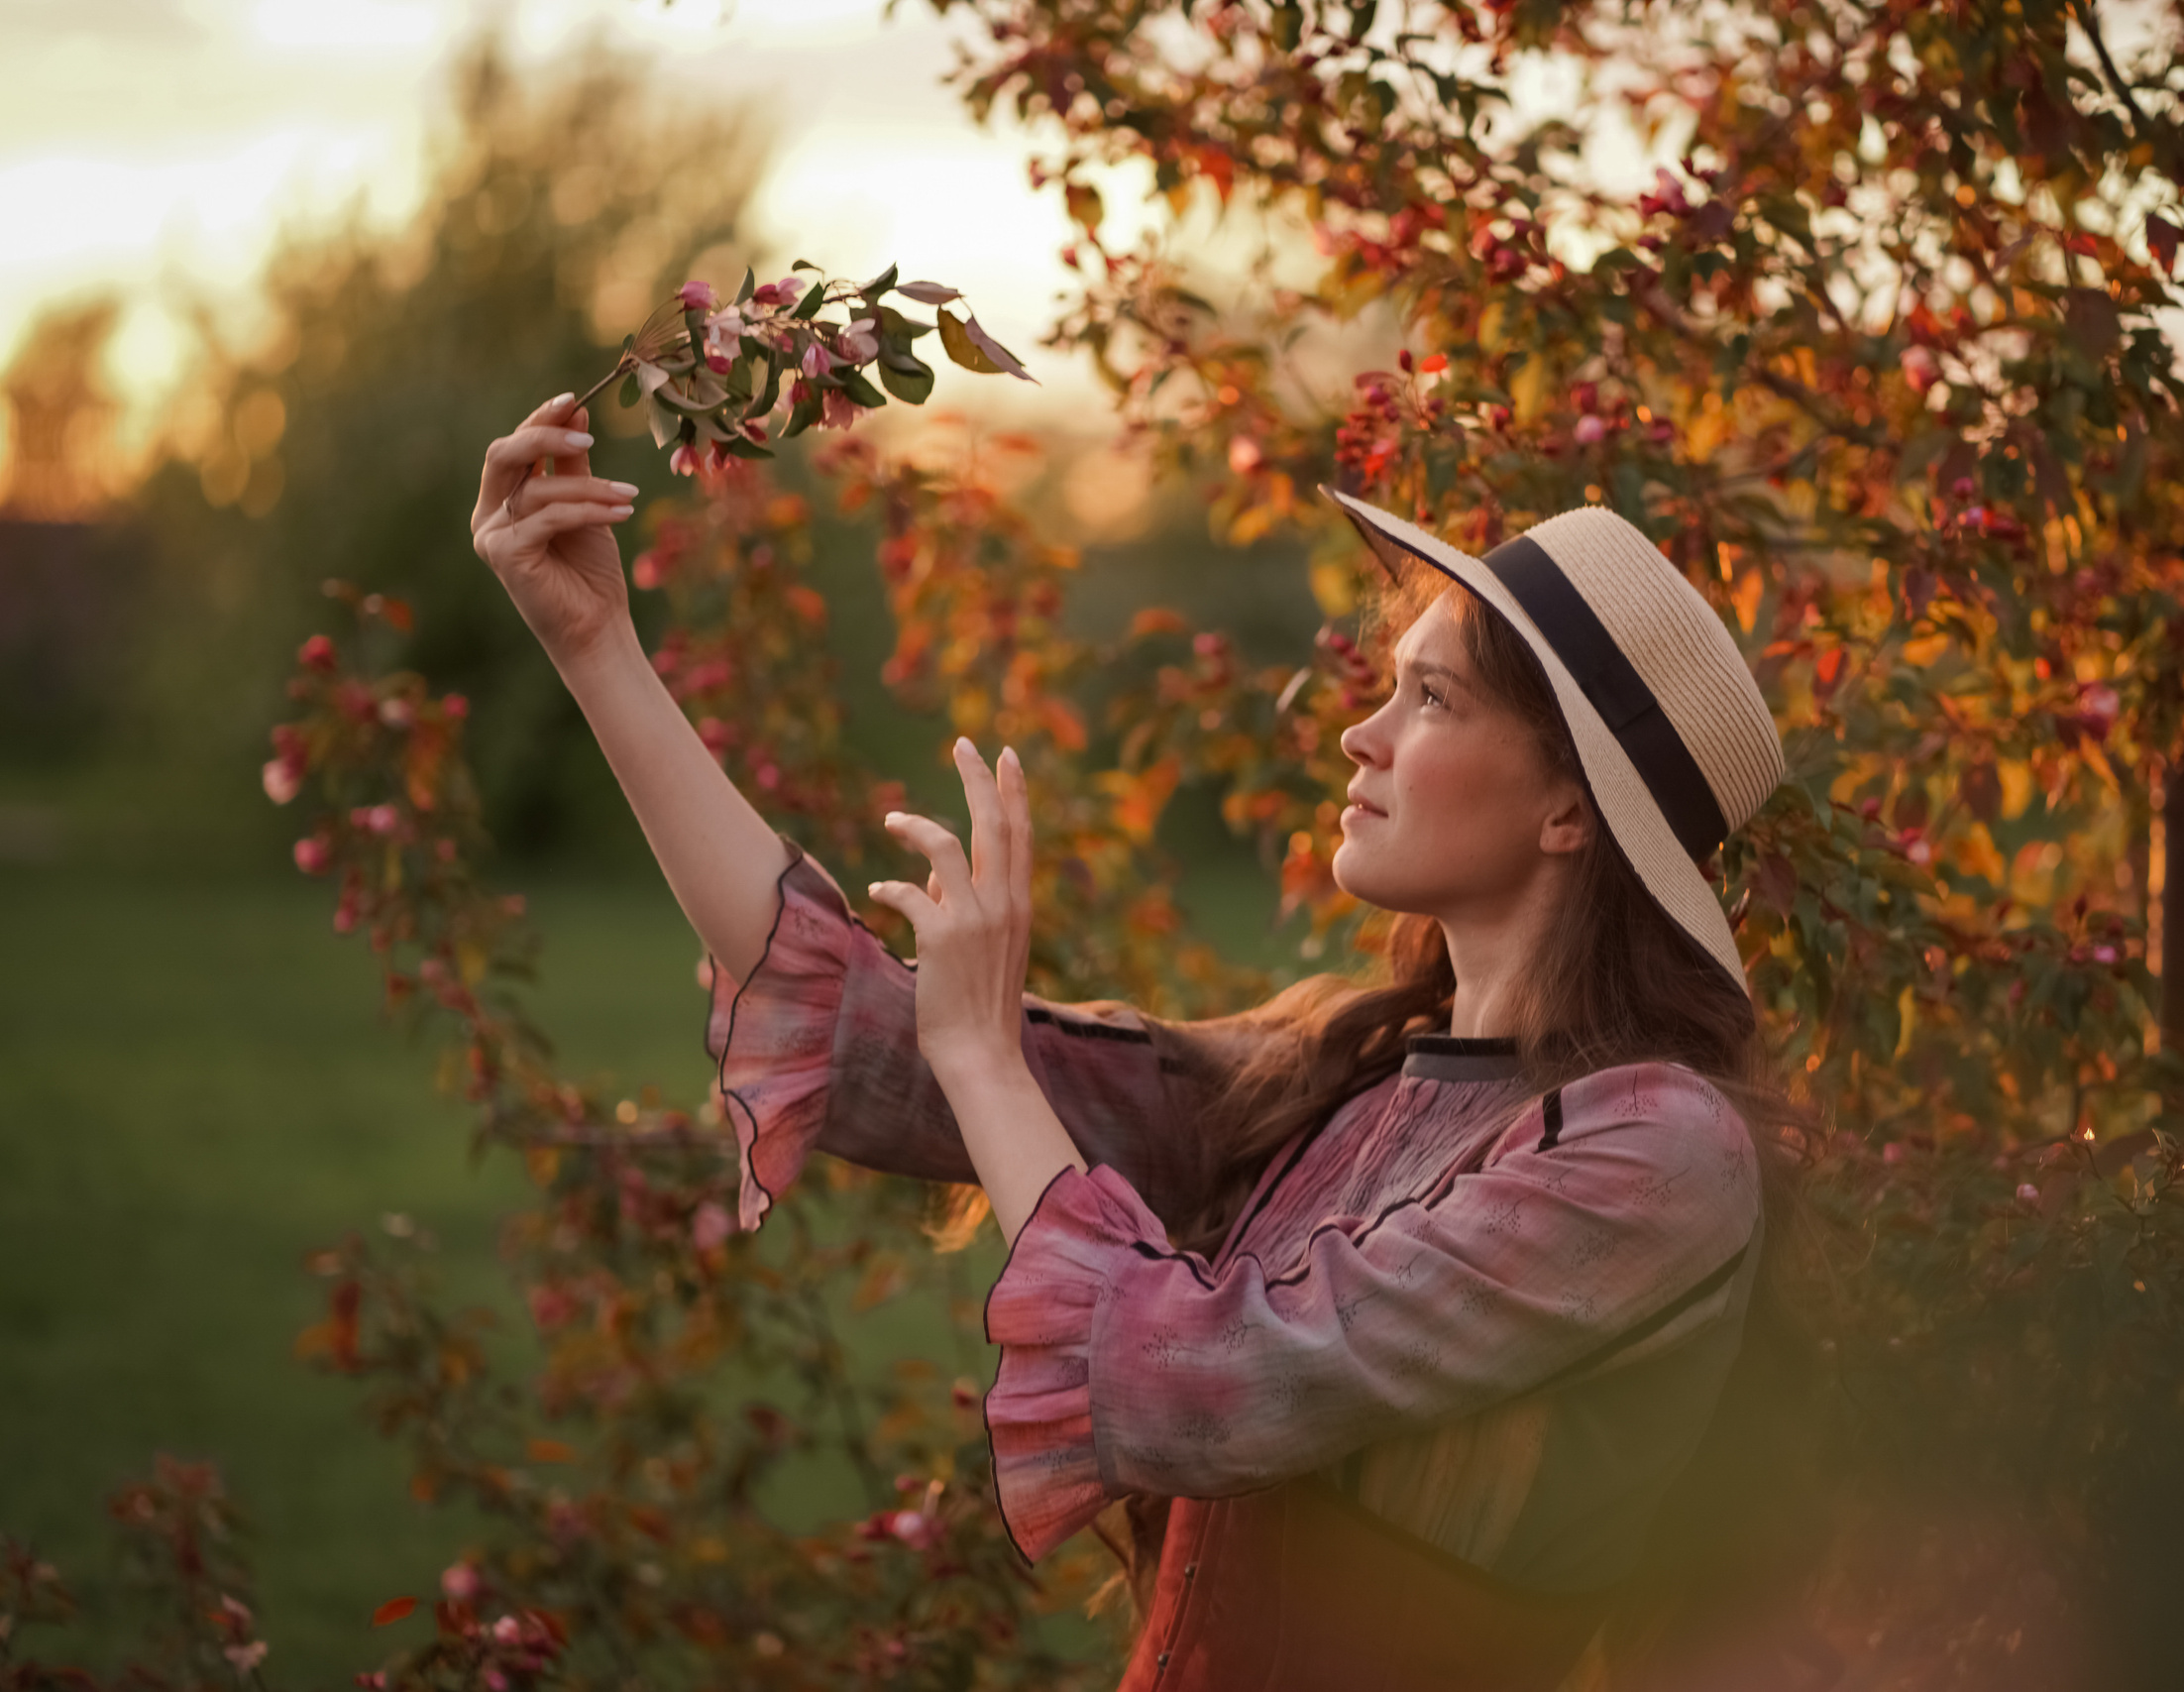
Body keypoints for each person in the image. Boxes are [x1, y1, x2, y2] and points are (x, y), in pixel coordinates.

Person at [470, 395, 1824, 1691]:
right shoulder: (1342, 1082)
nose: (1359, 733)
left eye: (1433, 702)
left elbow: (1207, 1384)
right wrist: (597, 647)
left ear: (1570, 816)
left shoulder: (1656, 1154)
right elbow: (866, 1033)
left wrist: (991, 1059)